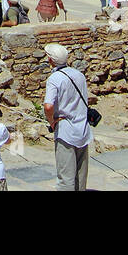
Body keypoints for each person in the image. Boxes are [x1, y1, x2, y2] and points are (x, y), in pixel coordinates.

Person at [43, 43, 92, 191]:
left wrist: (51, 121)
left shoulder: (54, 79)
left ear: (51, 60)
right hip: (82, 128)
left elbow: (48, 106)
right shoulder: (79, 75)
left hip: (66, 129)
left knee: (66, 178)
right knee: (81, 176)